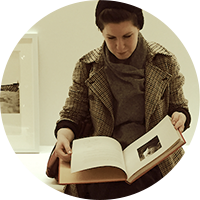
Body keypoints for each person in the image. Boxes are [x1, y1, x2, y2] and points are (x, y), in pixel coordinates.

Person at [54, 0, 191, 199]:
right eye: (111, 38)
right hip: (104, 159)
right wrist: (63, 138)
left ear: (139, 27)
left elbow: (179, 107)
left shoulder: (164, 61)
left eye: (128, 36)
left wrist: (180, 117)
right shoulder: (88, 66)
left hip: (153, 158)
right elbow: (72, 114)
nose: (120, 46)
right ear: (101, 32)